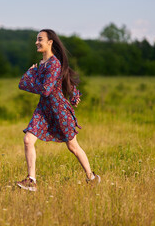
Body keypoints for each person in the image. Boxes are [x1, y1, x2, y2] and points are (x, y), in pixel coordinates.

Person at [16, 29, 100, 191]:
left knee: (73, 147)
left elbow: (45, 89)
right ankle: (31, 180)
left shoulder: (54, 64)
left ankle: (91, 177)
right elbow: (22, 84)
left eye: (40, 39)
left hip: (59, 110)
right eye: (36, 39)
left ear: (50, 42)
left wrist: (28, 78)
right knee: (28, 140)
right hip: (43, 109)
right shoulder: (42, 65)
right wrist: (29, 76)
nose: (36, 42)